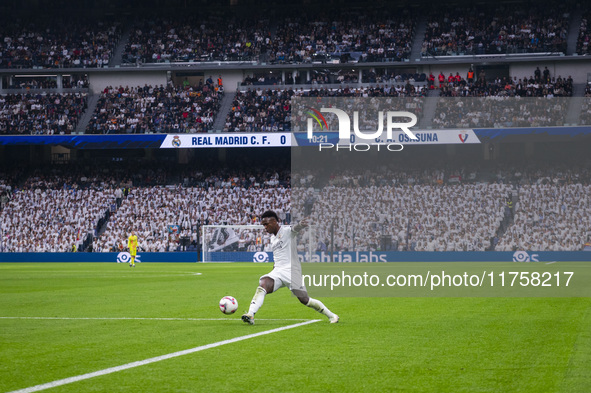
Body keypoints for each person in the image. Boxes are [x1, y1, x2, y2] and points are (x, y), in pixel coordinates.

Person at [241, 210, 339, 325]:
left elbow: (295, 228)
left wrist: (301, 224)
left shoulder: (287, 231)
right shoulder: (272, 239)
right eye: (263, 225)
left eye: (266, 224)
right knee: (263, 283)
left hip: (292, 272)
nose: (265, 227)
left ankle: (332, 315)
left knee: (305, 300)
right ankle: (251, 314)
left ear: (274, 222)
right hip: (277, 272)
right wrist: (273, 270)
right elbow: (278, 257)